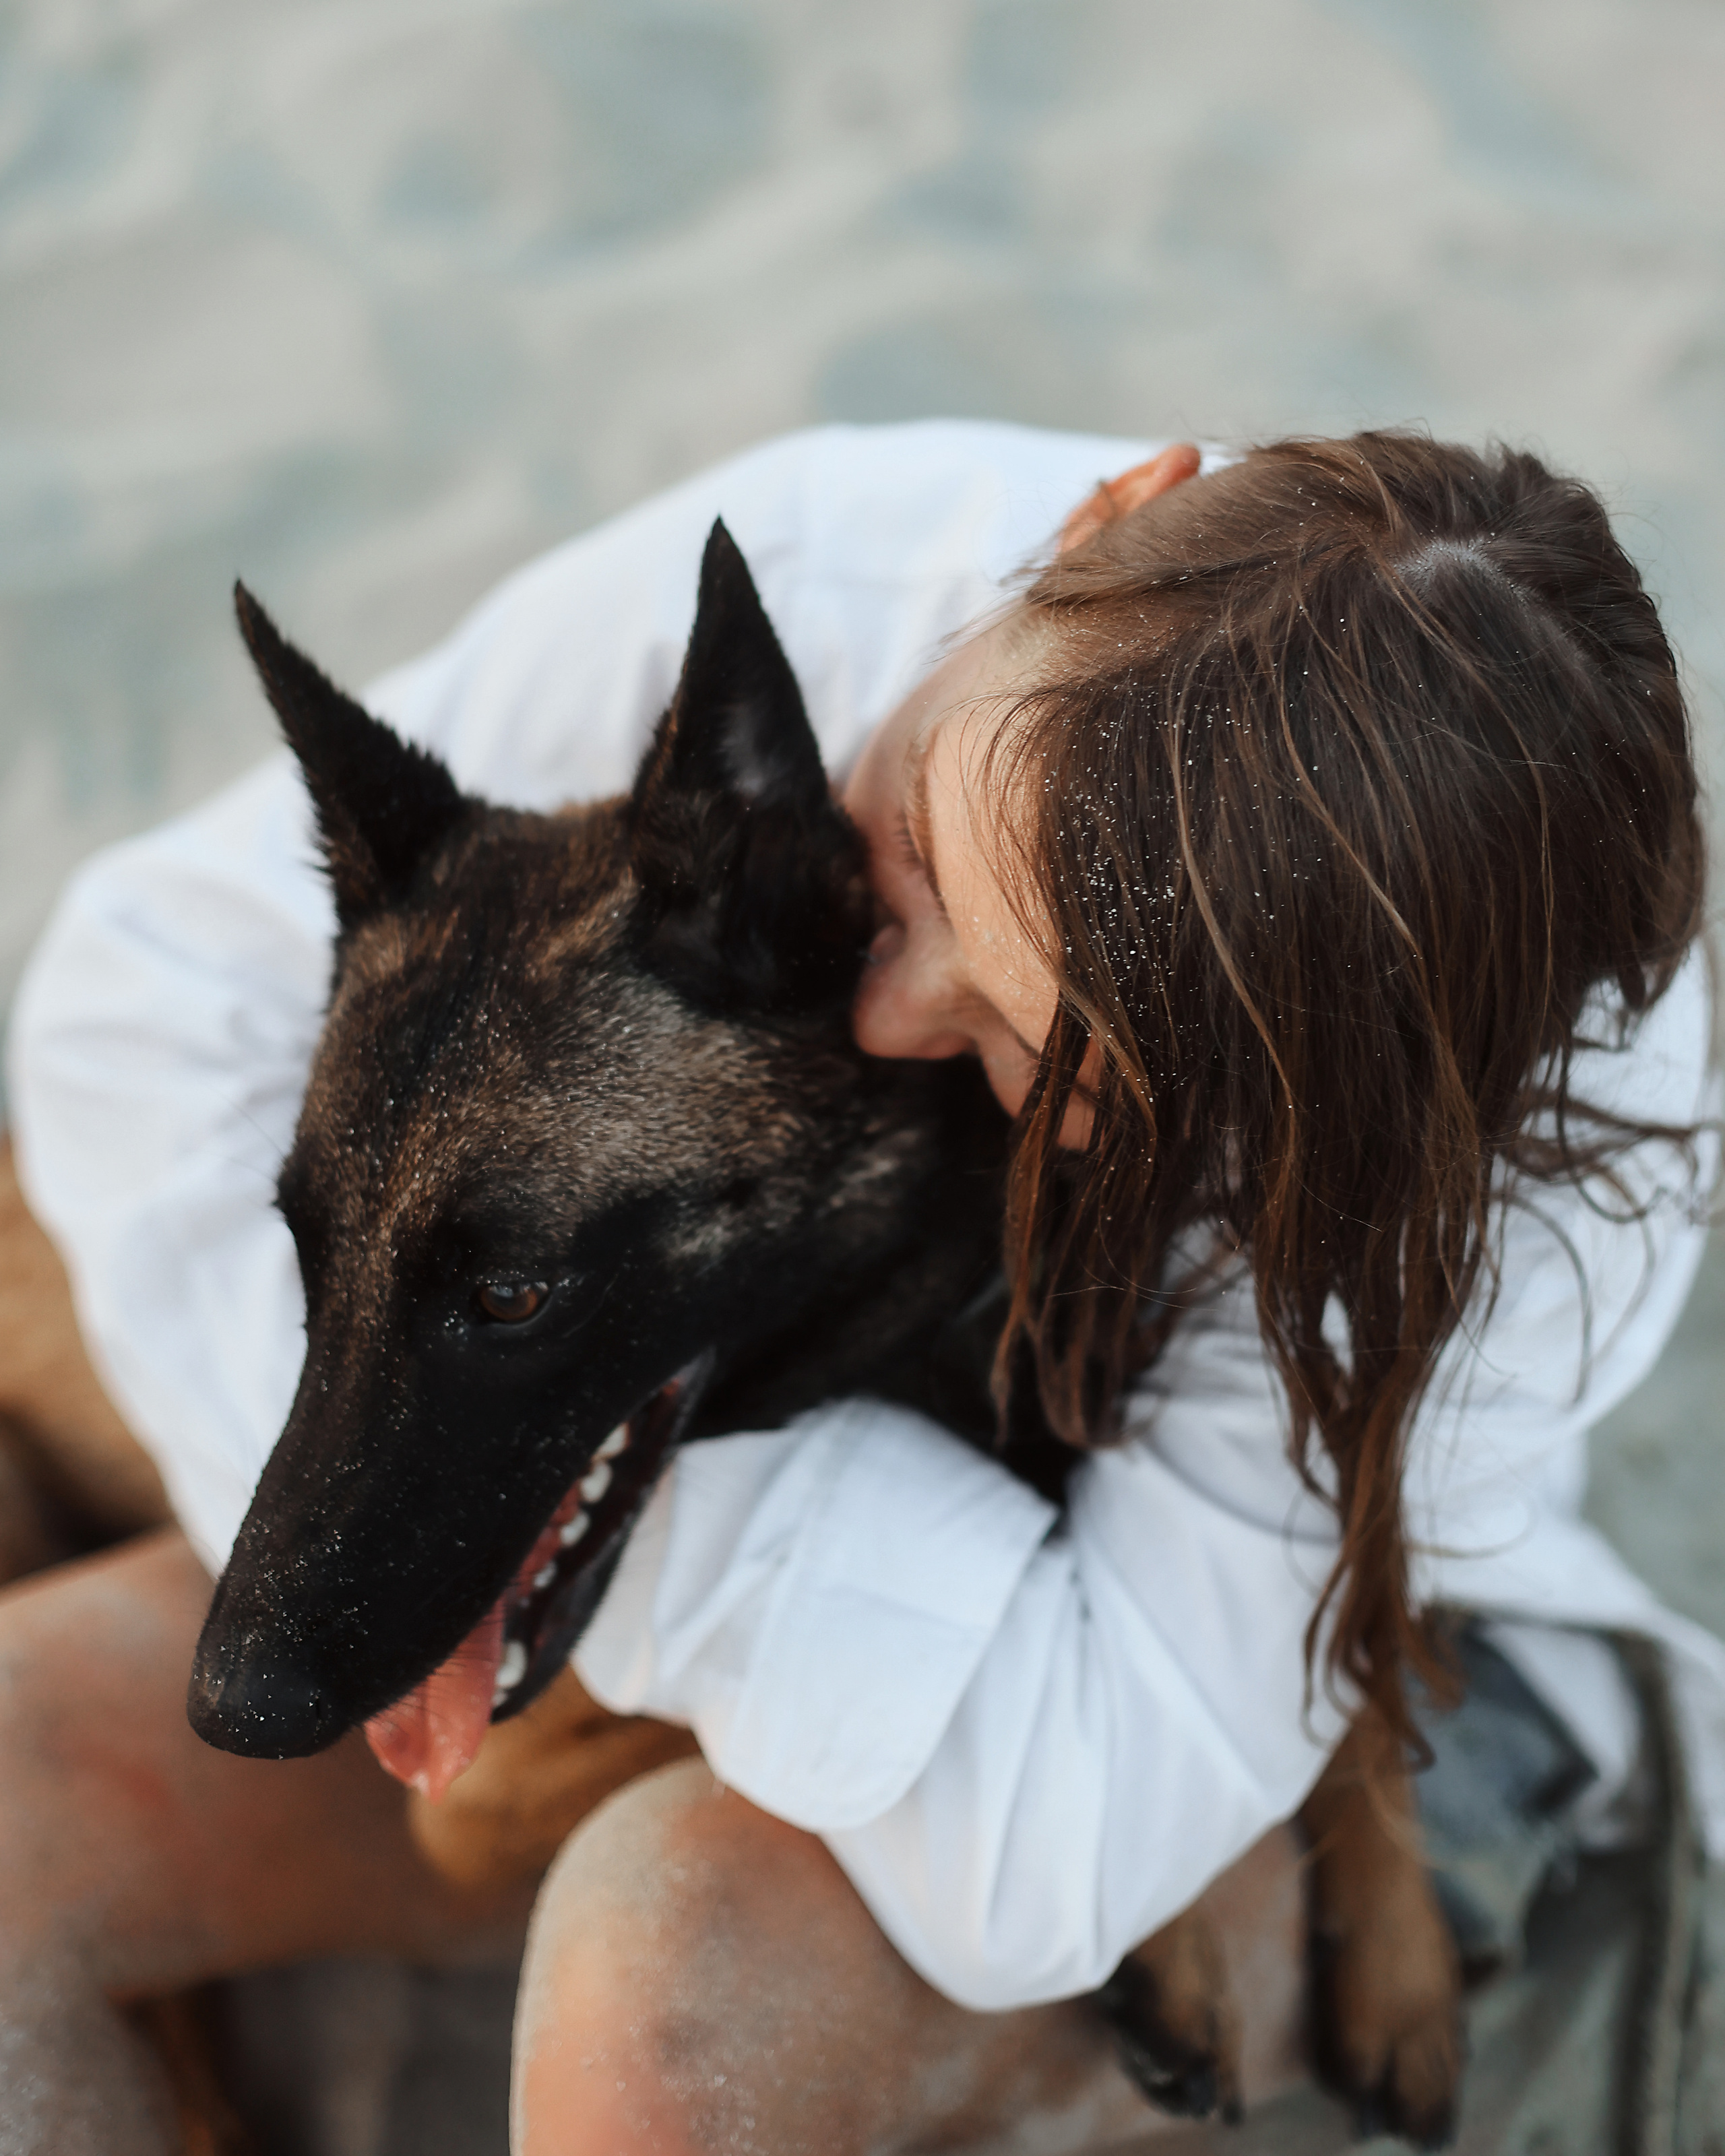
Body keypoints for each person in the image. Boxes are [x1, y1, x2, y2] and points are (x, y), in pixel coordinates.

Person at [0, 419, 1719, 2154]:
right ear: (1101, 517)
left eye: (1028, 1040)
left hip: (1211, 1641)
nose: (883, 1013)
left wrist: (618, 1550)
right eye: (907, 835)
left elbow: (1046, 1851)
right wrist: (461, 1555)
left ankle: (1521, 1802)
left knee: (663, 1976)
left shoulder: (1495, 1210)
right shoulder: (847, 580)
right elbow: (129, 1006)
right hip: (783, 1510)